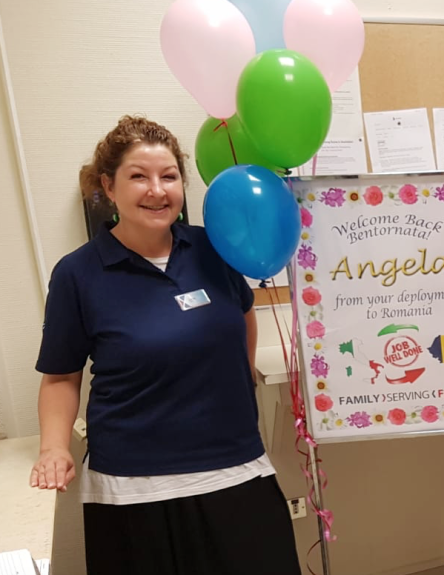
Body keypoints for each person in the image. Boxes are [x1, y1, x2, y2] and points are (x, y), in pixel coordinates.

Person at [30, 116, 301, 575]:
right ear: (108, 187)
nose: (157, 190)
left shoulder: (215, 249)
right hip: (134, 486)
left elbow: (242, 315)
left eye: (169, 176)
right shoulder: (78, 274)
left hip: (235, 465)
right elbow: (60, 375)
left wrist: (236, 389)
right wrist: (53, 448)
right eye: (138, 176)